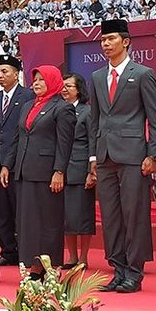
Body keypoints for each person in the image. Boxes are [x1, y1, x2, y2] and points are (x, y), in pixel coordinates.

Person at [90, 19, 156, 294]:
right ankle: (118, 269)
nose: (106, 44)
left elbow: (154, 118)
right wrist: (93, 158)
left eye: (111, 39)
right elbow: (94, 119)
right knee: (110, 216)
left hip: (134, 155)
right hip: (105, 155)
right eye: (103, 40)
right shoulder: (97, 77)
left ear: (126, 41)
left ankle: (135, 272)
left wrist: (152, 153)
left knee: (135, 215)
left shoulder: (143, 73)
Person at [1, 65, 75, 278]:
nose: (36, 83)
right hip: (24, 171)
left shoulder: (62, 108)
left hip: (47, 173)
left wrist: (59, 171)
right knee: (27, 221)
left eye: (42, 79)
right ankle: (31, 263)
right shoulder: (27, 106)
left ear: (52, 81)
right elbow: (17, 138)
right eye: (34, 80)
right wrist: (7, 164)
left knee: (48, 221)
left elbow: (64, 143)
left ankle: (49, 266)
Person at [0, 55, 34, 266]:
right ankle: (8, 250)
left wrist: (9, 161)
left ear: (16, 74)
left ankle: (25, 250)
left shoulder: (28, 96)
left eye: (5, 72)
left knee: (19, 209)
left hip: (18, 162)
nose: (0, 76)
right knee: (1, 211)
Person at [61, 73, 96, 268]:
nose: (64, 89)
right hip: (62, 170)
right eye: (62, 86)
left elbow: (93, 140)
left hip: (80, 169)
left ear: (79, 89)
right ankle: (72, 257)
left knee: (82, 216)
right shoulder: (59, 109)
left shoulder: (86, 111)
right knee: (66, 217)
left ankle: (83, 258)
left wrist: (92, 170)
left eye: (69, 86)